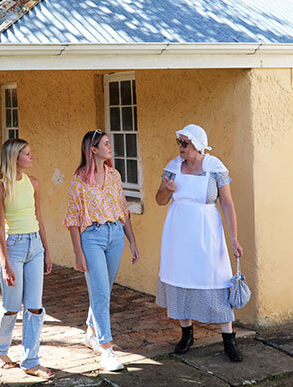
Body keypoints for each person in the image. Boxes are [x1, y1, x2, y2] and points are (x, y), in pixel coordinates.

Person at [154, 124, 245, 362]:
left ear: (197, 145)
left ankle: (229, 339)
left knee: (216, 277)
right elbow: (160, 200)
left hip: (207, 232)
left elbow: (226, 203)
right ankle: (186, 334)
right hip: (178, 232)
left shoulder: (214, 167)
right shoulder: (173, 167)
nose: (181, 148)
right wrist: (166, 188)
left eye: (185, 143)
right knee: (181, 277)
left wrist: (234, 238)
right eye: (179, 143)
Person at [64, 129, 140, 372]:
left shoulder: (114, 175)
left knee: (104, 289)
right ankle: (106, 348)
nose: (110, 147)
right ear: (93, 149)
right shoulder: (79, 179)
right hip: (92, 238)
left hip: (115, 235)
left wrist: (132, 241)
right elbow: (73, 218)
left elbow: (123, 209)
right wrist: (78, 252)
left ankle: (91, 330)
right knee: (99, 292)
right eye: (106, 144)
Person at [0, 138, 54, 378]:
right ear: (14, 158)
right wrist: (5, 263)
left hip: (34, 246)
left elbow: (39, 219)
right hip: (13, 247)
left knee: (35, 307)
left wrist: (47, 251)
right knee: (11, 306)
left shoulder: (33, 183)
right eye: (27, 154)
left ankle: (30, 362)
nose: (32, 157)